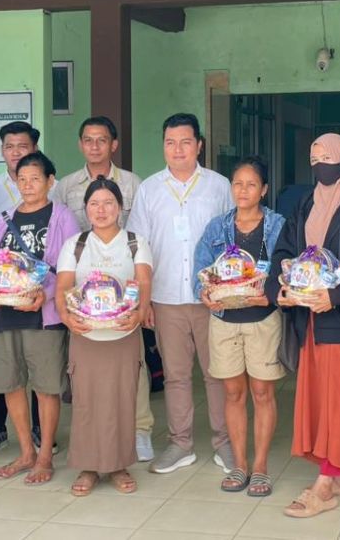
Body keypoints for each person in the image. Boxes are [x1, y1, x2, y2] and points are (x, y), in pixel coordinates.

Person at [266, 133, 340, 519]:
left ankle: (326, 483)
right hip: (308, 316)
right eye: (314, 159)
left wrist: (336, 295)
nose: (320, 166)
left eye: (327, 158)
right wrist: (279, 288)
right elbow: (283, 251)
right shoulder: (305, 203)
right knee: (318, 396)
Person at [127, 112, 234, 474]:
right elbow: (139, 247)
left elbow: (233, 241)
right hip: (165, 298)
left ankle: (224, 441)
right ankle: (180, 444)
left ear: (198, 145)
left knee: (217, 373)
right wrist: (144, 300)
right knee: (175, 375)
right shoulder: (149, 189)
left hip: (210, 298)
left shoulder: (219, 186)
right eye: (170, 143)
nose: (177, 149)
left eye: (185, 142)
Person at [51, 115, 154, 462]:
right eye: (94, 204)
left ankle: (123, 459)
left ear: (120, 208)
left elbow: (143, 281)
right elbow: (64, 287)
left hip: (124, 330)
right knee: (86, 398)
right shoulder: (74, 244)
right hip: (86, 331)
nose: (101, 209)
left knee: (126, 393)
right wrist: (67, 317)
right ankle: (88, 464)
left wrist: (139, 312)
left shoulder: (136, 241)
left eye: (109, 203)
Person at [0, 151, 79, 485]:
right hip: (5, 313)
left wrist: (47, 295)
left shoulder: (62, 216)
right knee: (11, 383)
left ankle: (44, 456)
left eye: (34, 179)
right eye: (21, 179)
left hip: (44, 315)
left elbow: (70, 267)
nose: (27, 185)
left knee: (46, 386)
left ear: (50, 181)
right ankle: (25, 452)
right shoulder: (5, 218)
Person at [194, 156, 286, 497]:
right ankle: (240, 465)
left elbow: (287, 267)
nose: (243, 190)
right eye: (237, 184)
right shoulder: (217, 227)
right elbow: (201, 269)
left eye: (251, 184)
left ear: (263, 189)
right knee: (233, 393)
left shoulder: (278, 225)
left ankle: (260, 467)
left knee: (262, 393)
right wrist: (204, 293)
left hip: (263, 320)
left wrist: (271, 294)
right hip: (224, 321)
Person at [0, 120, 53, 453]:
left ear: (34, 149)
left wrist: (47, 292)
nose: (15, 152)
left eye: (22, 146)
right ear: (1, 151)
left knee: (42, 372)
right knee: (7, 373)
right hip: (3, 298)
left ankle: (41, 433)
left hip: (41, 299)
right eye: (9, 147)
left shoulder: (50, 186)